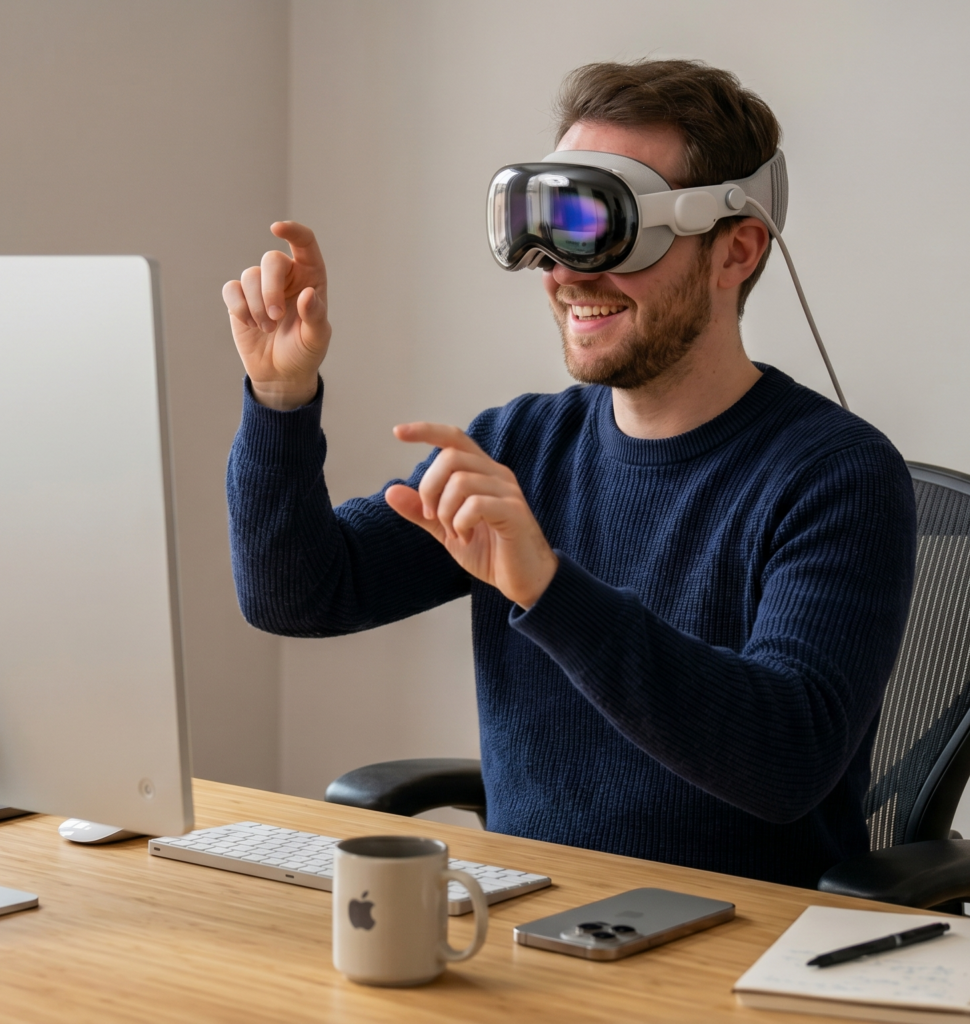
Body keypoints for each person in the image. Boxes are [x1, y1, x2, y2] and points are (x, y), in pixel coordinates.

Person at [220, 59, 916, 888]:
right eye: (546, 230)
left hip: (737, 930)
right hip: (526, 913)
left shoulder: (836, 476)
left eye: (604, 229)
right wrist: (280, 399)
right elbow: (296, 594)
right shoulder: (517, 446)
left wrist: (548, 589)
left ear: (735, 250)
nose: (562, 272)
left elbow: (786, 762)